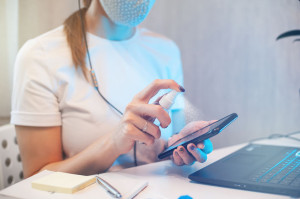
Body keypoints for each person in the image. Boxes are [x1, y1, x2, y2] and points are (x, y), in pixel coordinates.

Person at [11, 0, 213, 178]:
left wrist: (181, 147)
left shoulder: (166, 50)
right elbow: (36, 180)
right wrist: (114, 143)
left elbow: (170, 142)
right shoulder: (39, 56)